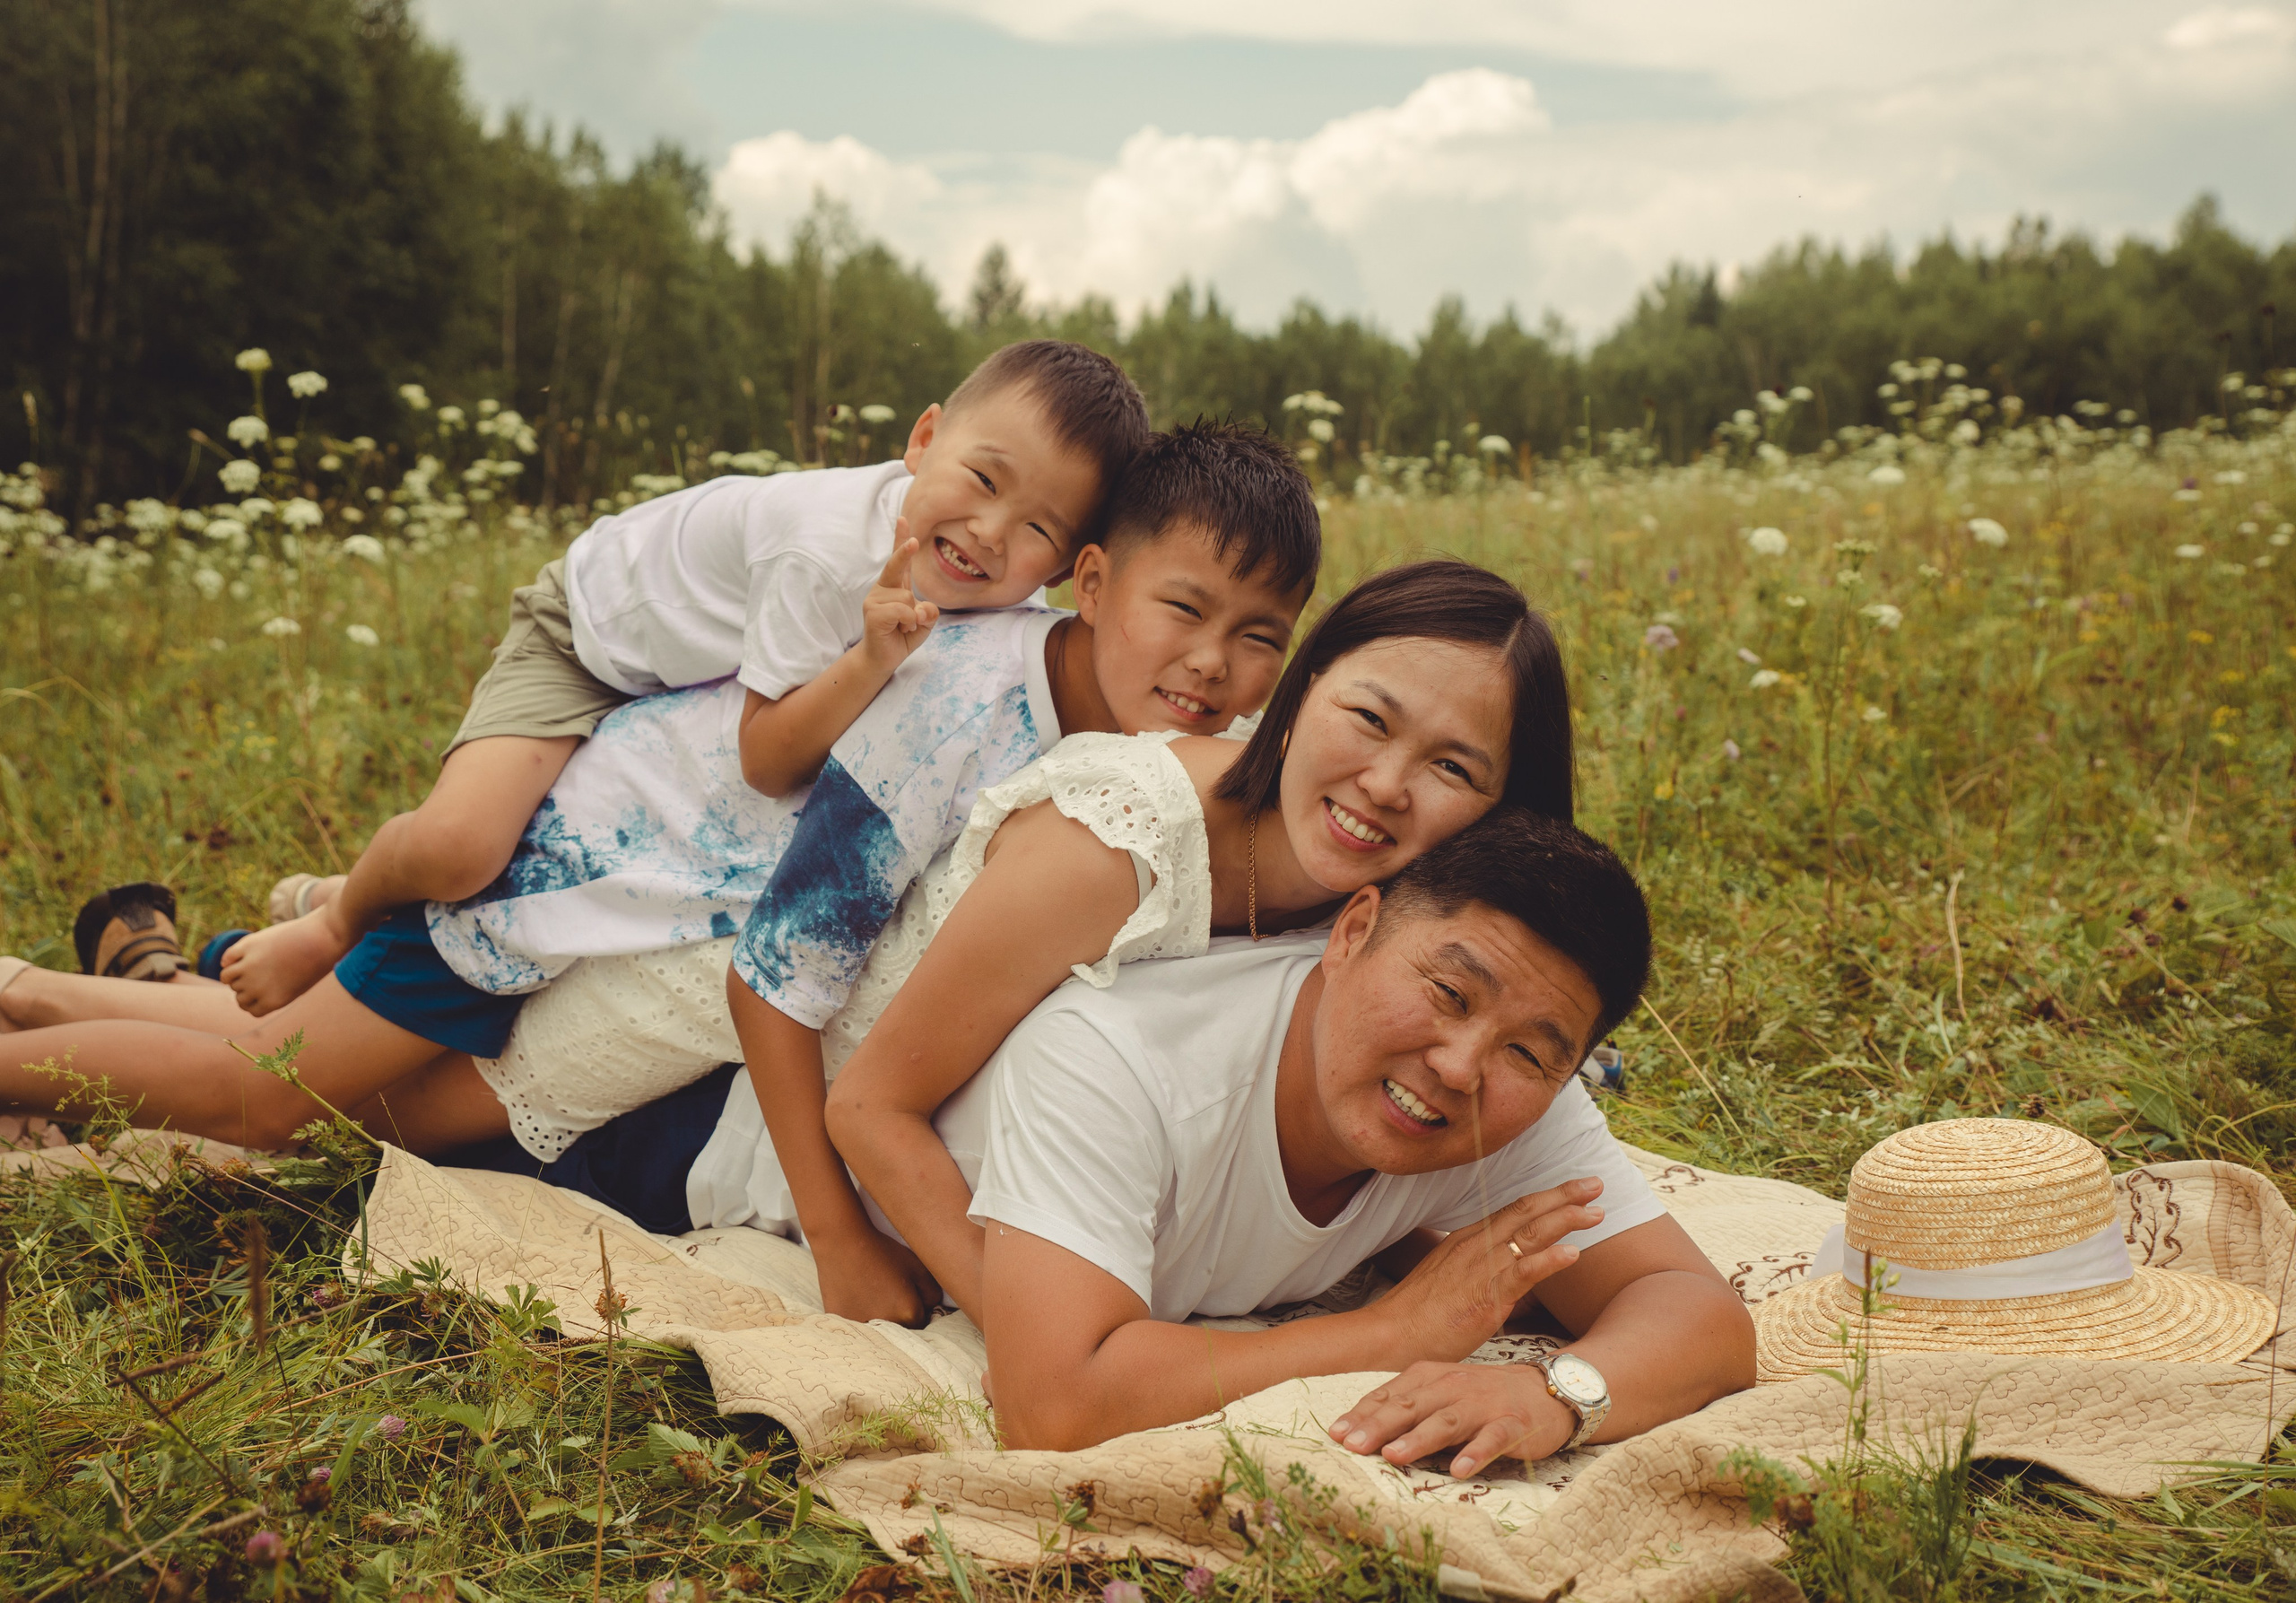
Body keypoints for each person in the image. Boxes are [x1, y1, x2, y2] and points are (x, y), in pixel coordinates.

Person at [0, 424, 1316, 1173]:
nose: (1213, 664)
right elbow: (787, 950)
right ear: (1090, 585)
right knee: (273, 1098)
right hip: (566, 874)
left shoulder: (1152, 717)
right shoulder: (961, 687)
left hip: (625, 901)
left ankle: (48, 991)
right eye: (1185, 612)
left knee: (323, 1072)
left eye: (1260, 635)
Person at [217, 340, 1149, 1015]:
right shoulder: (825, 553)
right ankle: (334, 914)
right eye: (984, 480)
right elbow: (765, 761)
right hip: (591, 639)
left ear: (1070, 567)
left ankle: (345, 895)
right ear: (923, 438)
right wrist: (869, 660)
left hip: (691, 681)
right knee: (466, 846)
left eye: (1038, 529)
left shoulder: (995, 605)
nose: (992, 532)